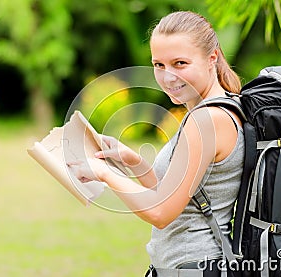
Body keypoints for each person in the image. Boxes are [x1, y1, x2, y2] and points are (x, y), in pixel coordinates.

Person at [68, 11, 244, 276]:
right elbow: (179, 198)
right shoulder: (214, 110)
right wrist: (134, 162)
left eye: (180, 63)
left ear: (212, 58)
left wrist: (103, 172)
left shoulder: (208, 120)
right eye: (159, 65)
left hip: (193, 266)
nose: (168, 77)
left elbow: (161, 212)